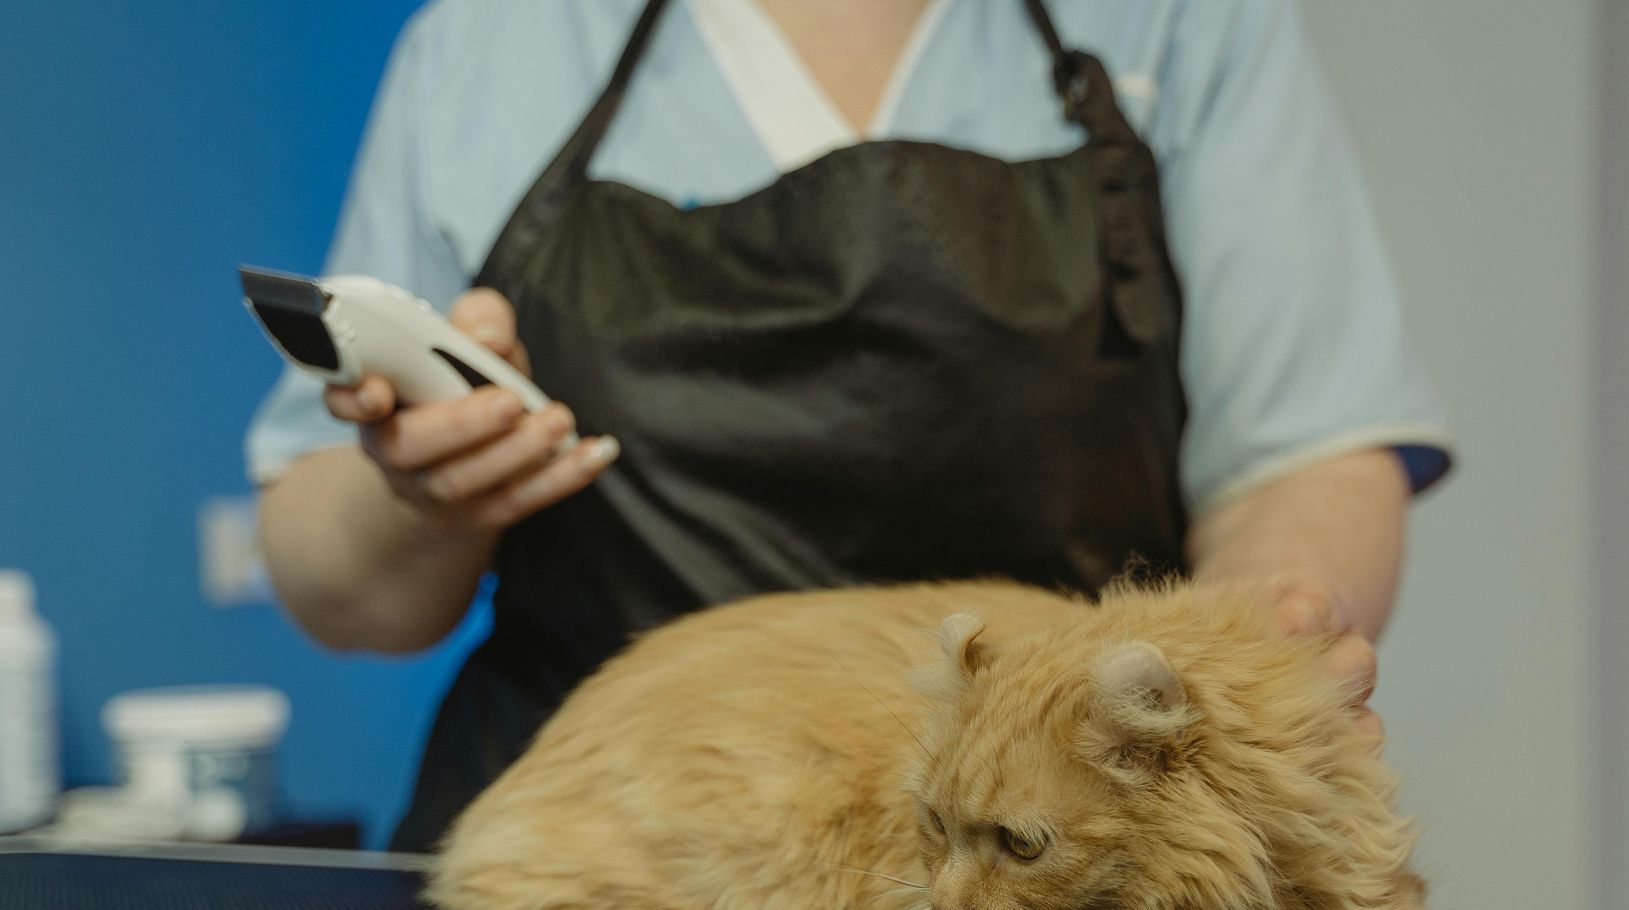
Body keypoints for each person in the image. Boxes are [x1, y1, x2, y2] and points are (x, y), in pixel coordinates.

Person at [248, 0, 1451, 851]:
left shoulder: (1178, 21)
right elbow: (341, 586)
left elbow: (1302, 457)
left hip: (1043, 870)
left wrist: (1247, 651)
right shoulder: (490, 46)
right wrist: (420, 492)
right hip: (613, 854)